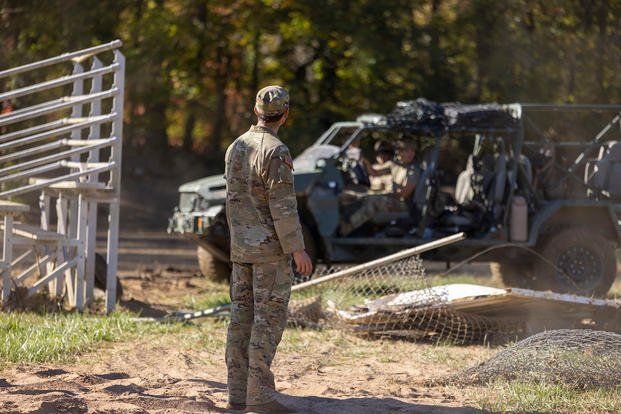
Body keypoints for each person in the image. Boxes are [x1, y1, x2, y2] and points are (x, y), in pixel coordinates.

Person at [224, 85, 313, 414]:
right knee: (267, 319)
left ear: (255, 110)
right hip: (269, 252)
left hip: (240, 251)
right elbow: (283, 206)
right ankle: (259, 394)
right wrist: (298, 250)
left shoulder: (236, 147)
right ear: (285, 115)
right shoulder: (276, 151)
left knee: (240, 319)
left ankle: (237, 393)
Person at [339, 140, 421, 236]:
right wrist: (363, 159)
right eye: (407, 151)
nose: (411, 154)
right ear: (399, 151)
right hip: (391, 199)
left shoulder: (414, 170)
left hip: (403, 205)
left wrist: (379, 194)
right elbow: (374, 173)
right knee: (350, 196)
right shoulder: (394, 164)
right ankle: (340, 222)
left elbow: (402, 195)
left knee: (373, 200)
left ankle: (345, 229)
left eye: (413, 151)